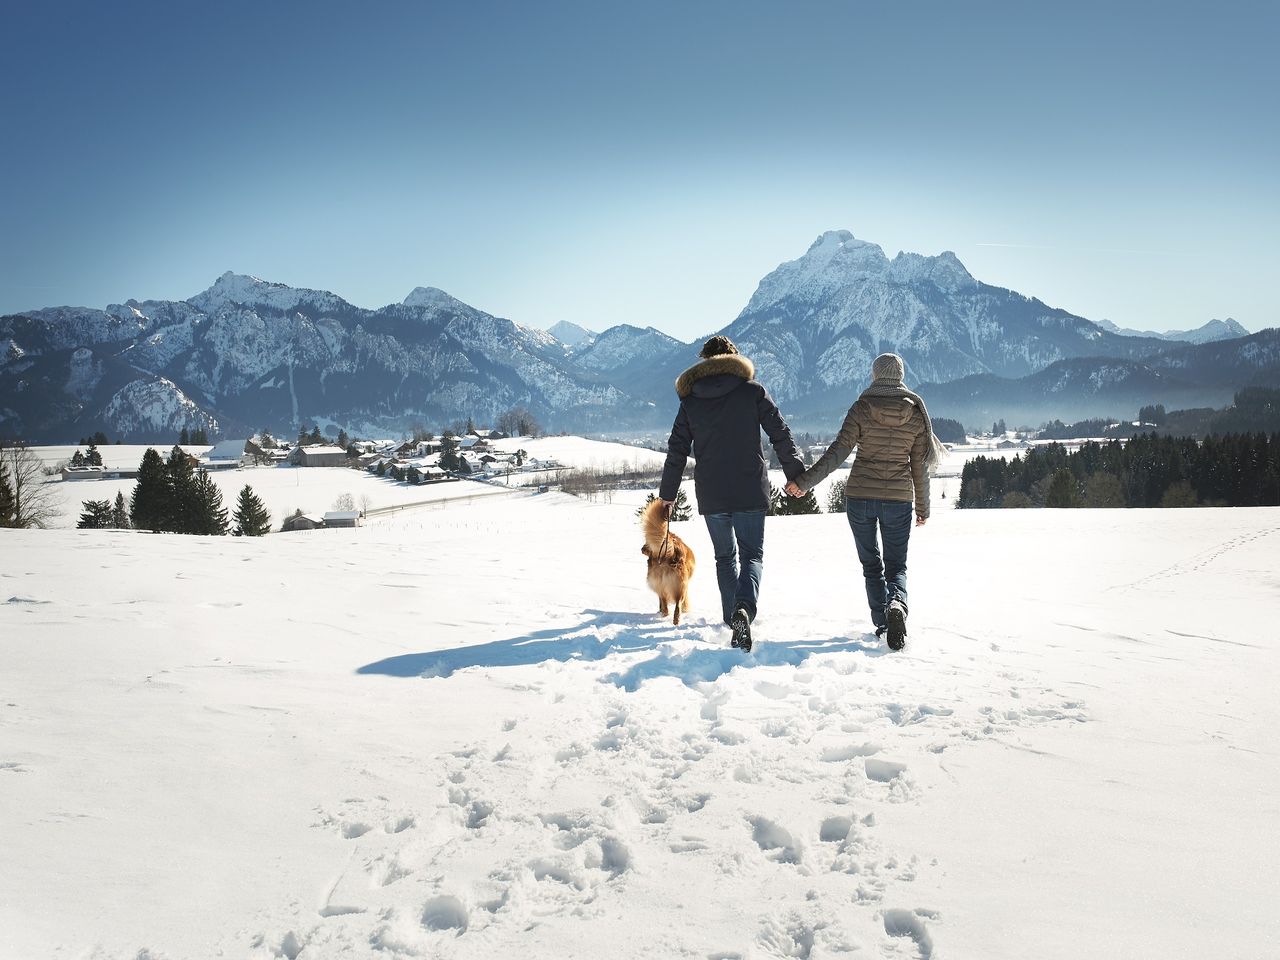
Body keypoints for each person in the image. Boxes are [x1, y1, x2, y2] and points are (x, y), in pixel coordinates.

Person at [785, 353, 943, 651]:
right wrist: (923, 508)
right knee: (896, 566)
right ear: (900, 376)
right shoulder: (916, 413)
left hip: (860, 498)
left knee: (872, 565)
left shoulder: (861, 407)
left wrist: (804, 483)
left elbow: (837, 452)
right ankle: (896, 603)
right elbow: (919, 467)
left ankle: (883, 623)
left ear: (874, 375)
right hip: (898, 500)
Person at [659, 335, 805, 651]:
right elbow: (780, 433)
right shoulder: (752, 392)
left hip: (712, 493)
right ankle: (744, 611)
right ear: (734, 359)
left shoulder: (690, 402)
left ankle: (732, 617)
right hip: (750, 488)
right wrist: (796, 474)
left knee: (725, 558)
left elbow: (677, 451)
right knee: (752, 554)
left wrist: (667, 495)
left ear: (704, 362)